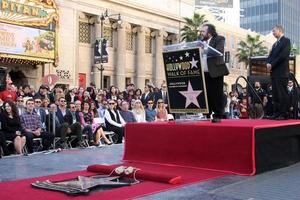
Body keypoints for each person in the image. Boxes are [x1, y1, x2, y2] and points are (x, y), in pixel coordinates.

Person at [200, 23, 229, 123]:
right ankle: (206, 114)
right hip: (204, 72)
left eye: (203, 31)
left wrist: (205, 49)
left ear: (210, 32)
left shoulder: (219, 39)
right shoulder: (200, 42)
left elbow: (219, 51)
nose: (201, 33)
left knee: (216, 94)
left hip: (216, 71)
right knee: (206, 94)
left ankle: (217, 115)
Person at [267, 25, 290, 120]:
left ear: (280, 31)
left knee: (282, 93)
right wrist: (268, 63)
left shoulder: (286, 41)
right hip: (274, 73)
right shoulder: (275, 44)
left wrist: (272, 64)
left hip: (282, 72)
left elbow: (283, 56)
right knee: (275, 93)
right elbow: (270, 55)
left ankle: (283, 114)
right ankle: (276, 113)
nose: (273, 33)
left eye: (274, 31)